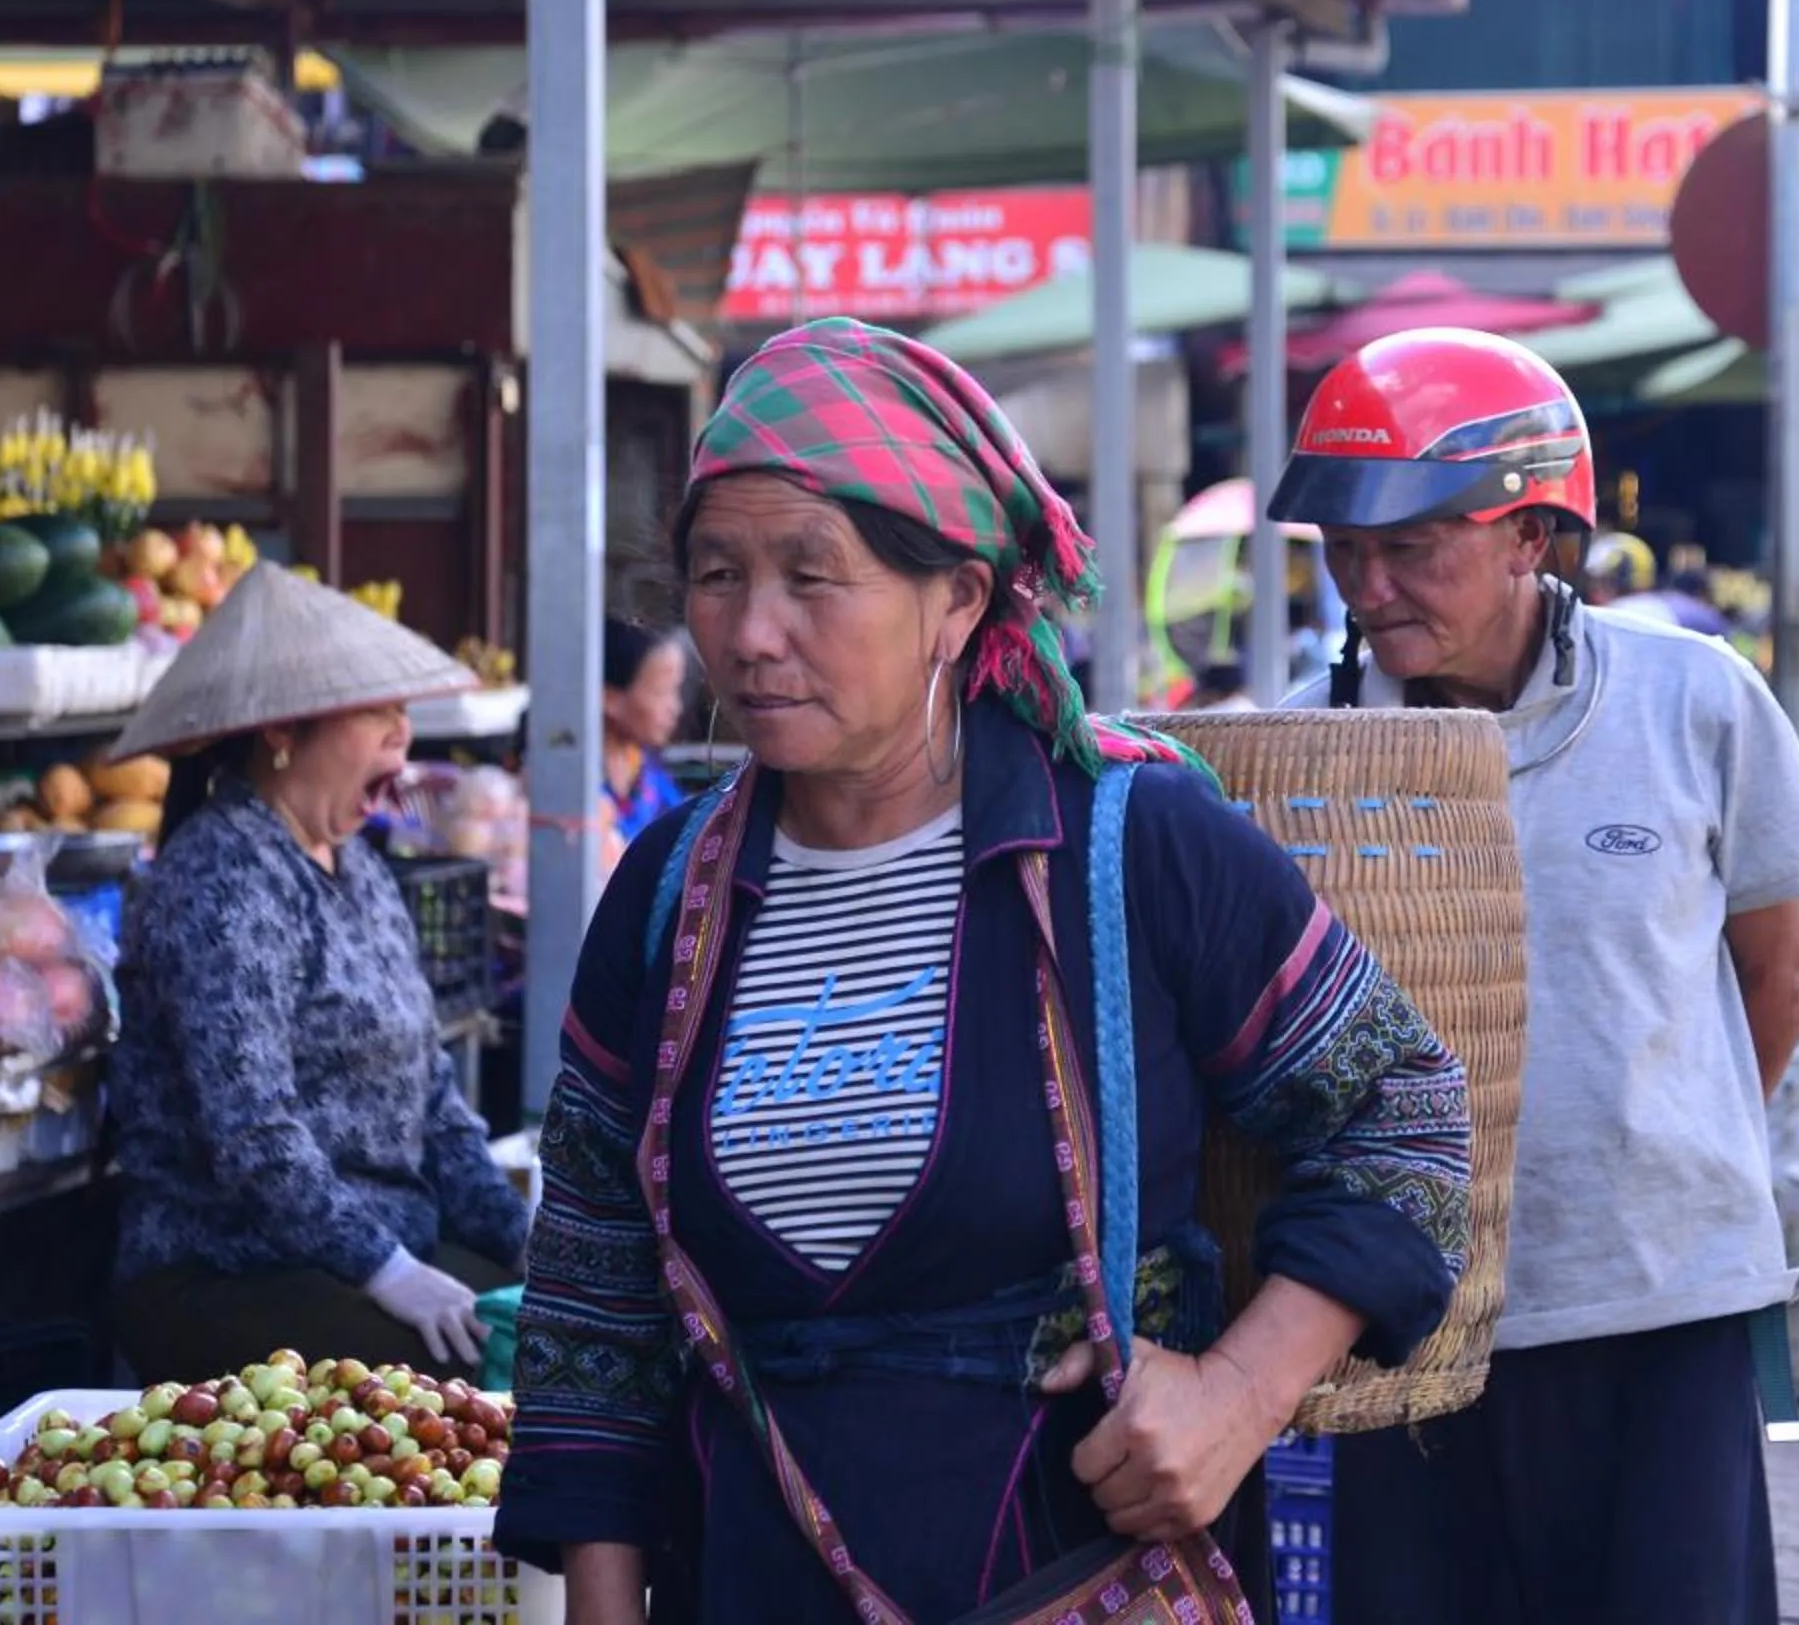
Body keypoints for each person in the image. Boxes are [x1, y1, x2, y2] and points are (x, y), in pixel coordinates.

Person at [496, 319, 1470, 1625]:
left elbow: (1405, 1111)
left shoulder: (1131, 849)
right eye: (718, 574)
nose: (752, 631)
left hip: (1067, 1568)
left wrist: (1239, 1393)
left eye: (811, 575)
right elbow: (597, 1278)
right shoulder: (672, 898)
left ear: (957, 598)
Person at [1264, 329, 1799, 1625]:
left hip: (1664, 1300)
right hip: (1404, 1316)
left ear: (1533, 535)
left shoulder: (1695, 700)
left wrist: (1662, 1147)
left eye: (1411, 546)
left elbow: (1779, 974)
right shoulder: (1301, 746)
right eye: (1343, 549)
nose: (1368, 582)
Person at [105, 565, 529, 1381]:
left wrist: (525, 1241)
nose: (403, 735)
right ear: (284, 732)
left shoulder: (360, 871)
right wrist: (390, 1272)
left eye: (404, 711)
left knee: (578, 1335)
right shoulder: (222, 878)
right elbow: (255, 1134)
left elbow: (435, 1105)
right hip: (226, 1268)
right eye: (379, 711)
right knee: (502, 1371)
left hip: (376, 1244)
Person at [600, 617, 690, 872]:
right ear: (609, 699)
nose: (676, 708)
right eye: (662, 692)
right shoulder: (569, 788)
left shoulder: (649, 774)